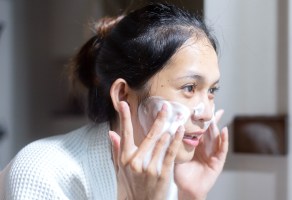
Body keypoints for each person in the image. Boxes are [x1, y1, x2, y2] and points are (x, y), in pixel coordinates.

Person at [0, 2, 228, 200]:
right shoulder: (41, 171)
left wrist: (189, 196)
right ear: (122, 94)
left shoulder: (163, 172)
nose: (207, 113)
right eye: (189, 87)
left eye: (212, 90)